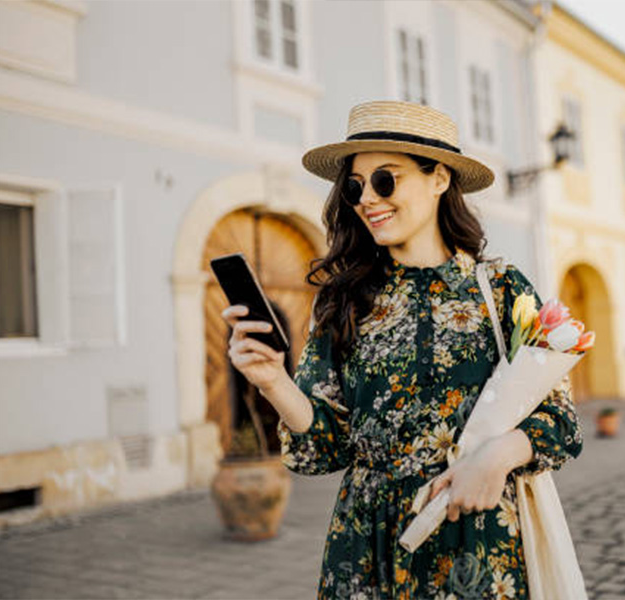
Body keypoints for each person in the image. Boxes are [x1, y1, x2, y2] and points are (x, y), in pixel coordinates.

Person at [222, 100, 583, 599]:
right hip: (367, 551)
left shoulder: (500, 289)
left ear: (439, 179)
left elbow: (560, 420)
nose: (367, 198)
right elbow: (323, 447)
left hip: (478, 543)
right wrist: (273, 382)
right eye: (355, 186)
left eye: (385, 180)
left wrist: (499, 455)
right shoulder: (343, 299)